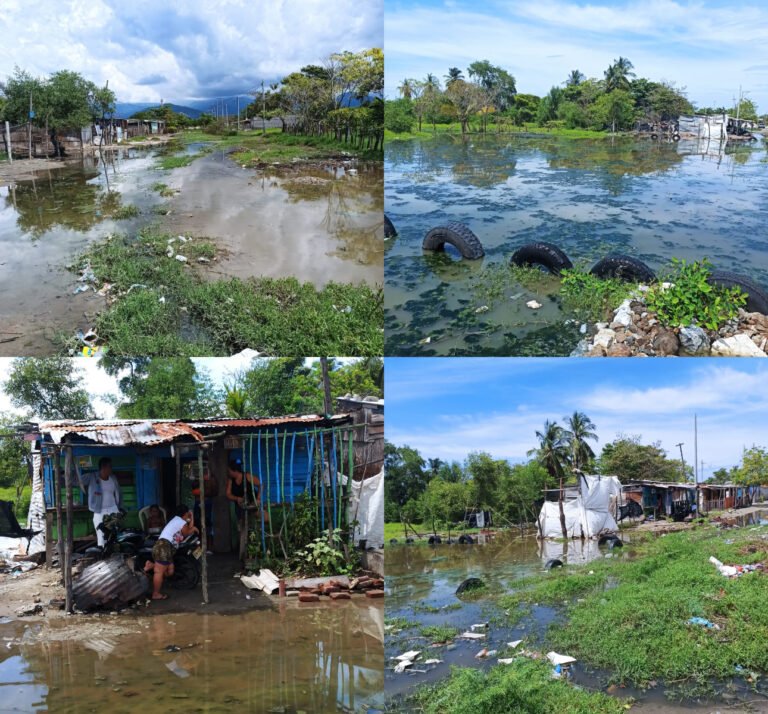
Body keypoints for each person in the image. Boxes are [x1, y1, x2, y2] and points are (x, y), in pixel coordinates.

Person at [145, 504, 198, 601]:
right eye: (188, 514)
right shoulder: (180, 521)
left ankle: (152, 565)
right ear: (185, 514)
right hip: (164, 547)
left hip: (166, 548)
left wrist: (191, 518)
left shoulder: (178, 520)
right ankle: (155, 594)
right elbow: (187, 533)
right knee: (159, 572)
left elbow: (188, 529)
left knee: (170, 572)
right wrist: (193, 527)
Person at [78, 457, 123, 548]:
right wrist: (63, 473)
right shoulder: (92, 477)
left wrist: (120, 508)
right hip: (99, 512)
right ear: (103, 467)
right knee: (101, 536)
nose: (111, 469)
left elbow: (118, 493)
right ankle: (103, 557)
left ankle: (114, 555)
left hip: (113, 510)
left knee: (114, 535)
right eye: (110, 467)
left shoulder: (113, 478)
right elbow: (77, 480)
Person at [226, 459, 263, 559]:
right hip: (240, 508)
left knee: (256, 525)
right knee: (242, 529)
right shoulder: (231, 480)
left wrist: (258, 499)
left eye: (229, 470)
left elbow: (260, 484)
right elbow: (228, 494)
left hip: (252, 506)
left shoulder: (247, 476)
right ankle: (243, 552)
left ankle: (257, 549)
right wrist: (237, 498)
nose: (228, 472)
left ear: (235, 470)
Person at [192, 467, 218, 553]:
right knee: (197, 525)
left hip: (207, 502)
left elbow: (214, 492)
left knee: (208, 525)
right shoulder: (197, 476)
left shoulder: (211, 477)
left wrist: (204, 489)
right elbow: (193, 489)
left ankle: (209, 548)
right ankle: (198, 551)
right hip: (198, 502)